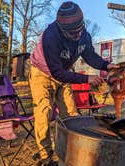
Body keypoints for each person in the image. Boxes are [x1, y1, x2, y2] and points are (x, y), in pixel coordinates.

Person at [29, 1, 118, 165]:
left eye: (79, 31)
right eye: (72, 34)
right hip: (42, 73)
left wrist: (106, 65)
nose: (77, 36)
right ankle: (45, 156)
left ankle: (72, 150)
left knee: (71, 114)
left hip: (64, 72)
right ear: (61, 29)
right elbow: (56, 73)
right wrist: (86, 79)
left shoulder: (84, 35)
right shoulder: (50, 36)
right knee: (44, 111)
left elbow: (90, 56)